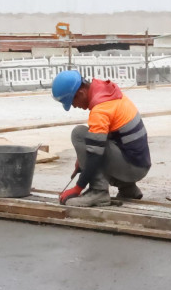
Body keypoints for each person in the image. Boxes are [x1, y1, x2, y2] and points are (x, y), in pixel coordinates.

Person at [52, 70, 151, 206]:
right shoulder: (107, 92)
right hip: (139, 163)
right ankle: (128, 189)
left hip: (132, 167)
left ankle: (98, 192)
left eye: (73, 103)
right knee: (96, 144)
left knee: (79, 133)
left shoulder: (100, 110)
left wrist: (77, 188)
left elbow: (94, 155)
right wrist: (81, 159)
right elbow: (107, 136)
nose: (75, 106)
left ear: (81, 93)